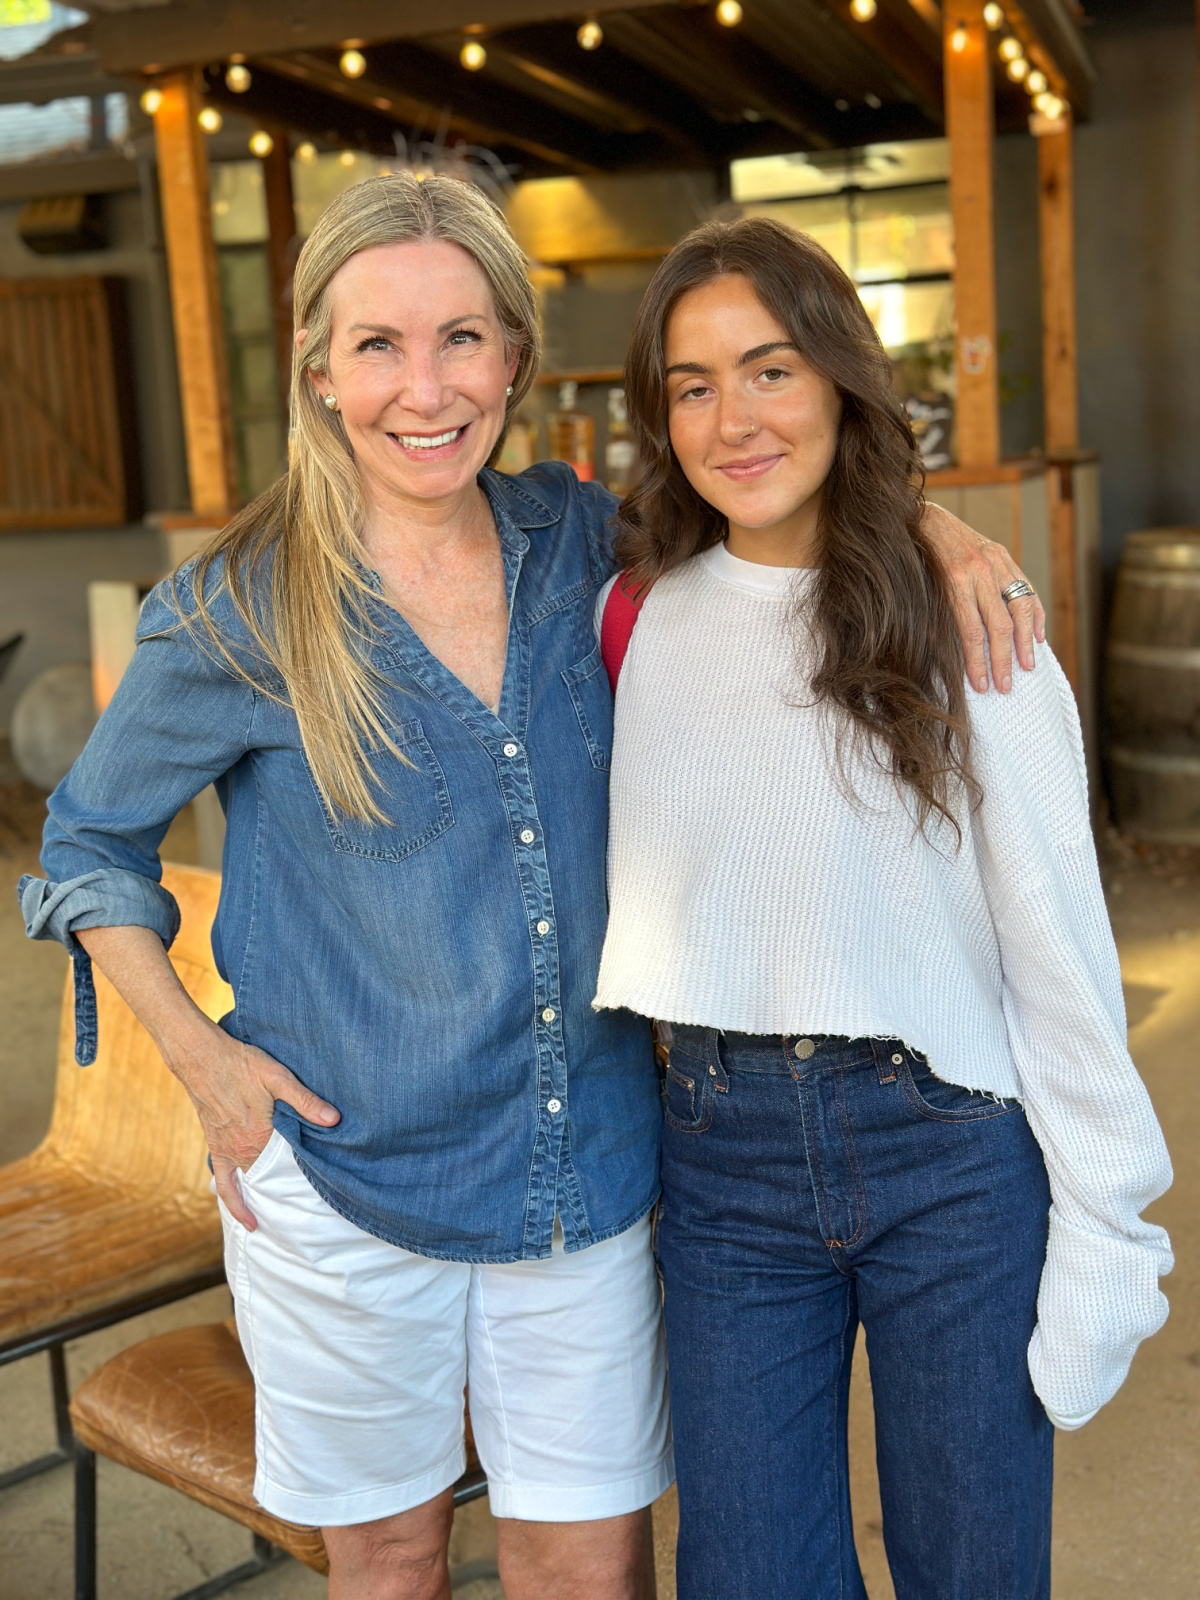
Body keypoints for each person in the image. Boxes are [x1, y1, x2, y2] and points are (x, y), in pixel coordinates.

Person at [21, 176, 1036, 1600]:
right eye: (377, 345)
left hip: (592, 1176)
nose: (422, 389)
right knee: (389, 1564)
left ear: (513, 356)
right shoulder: (237, 608)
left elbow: (778, 497)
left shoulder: (581, 543)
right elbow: (87, 847)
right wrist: (201, 1060)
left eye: (461, 340)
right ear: (318, 370)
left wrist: (938, 529)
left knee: (589, 1574)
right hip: (347, 1169)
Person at [592, 216, 1173, 1600]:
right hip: (721, 1166)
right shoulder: (631, 619)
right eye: (692, 384)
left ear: (843, 380)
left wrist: (1111, 1226)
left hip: (948, 1157)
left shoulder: (970, 625)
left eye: (772, 369)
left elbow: (1062, 956)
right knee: (746, 1577)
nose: (733, 418)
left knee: (971, 1573)